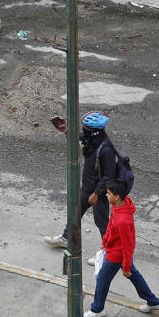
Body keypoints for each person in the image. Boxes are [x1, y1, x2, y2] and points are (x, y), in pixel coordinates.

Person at [83, 179, 159, 317]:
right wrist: (106, 240)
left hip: (117, 254)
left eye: (108, 193)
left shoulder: (123, 220)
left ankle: (97, 309)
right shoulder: (118, 206)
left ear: (116, 196)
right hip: (115, 250)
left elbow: (128, 245)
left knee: (102, 279)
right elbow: (110, 224)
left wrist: (125, 266)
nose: (106, 196)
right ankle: (153, 302)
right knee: (134, 276)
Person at [43, 111, 116, 260]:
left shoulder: (106, 149)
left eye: (87, 127)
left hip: (99, 193)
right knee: (75, 213)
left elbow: (109, 176)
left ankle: (109, 252)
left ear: (95, 130)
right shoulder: (91, 140)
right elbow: (79, 140)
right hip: (87, 188)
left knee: (102, 223)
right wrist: (65, 131)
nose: (84, 129)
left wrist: (96, 193)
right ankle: (66, 238)